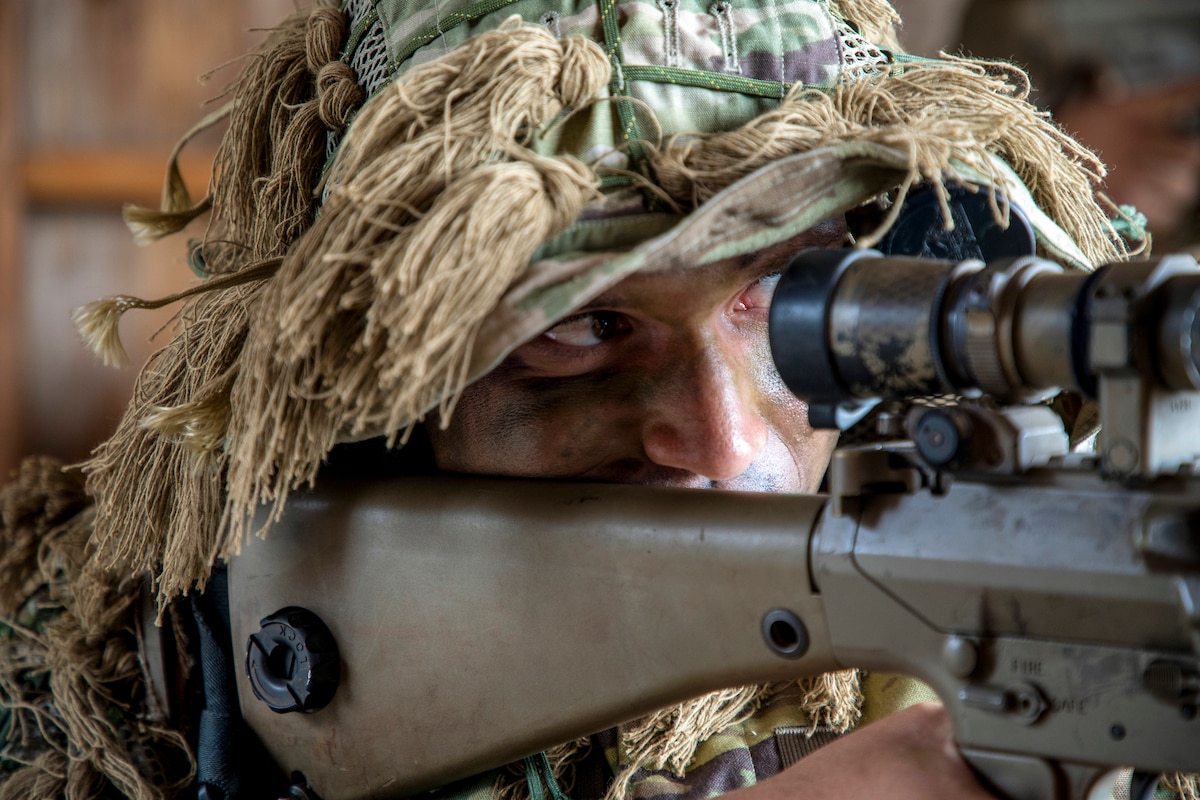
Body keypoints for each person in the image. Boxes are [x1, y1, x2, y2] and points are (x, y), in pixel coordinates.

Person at [0, 0, 1146, 798]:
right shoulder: (78, 678)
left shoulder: (970, 617)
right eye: (579, 328)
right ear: (368, 399)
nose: (723, 437)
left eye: (787, 304)